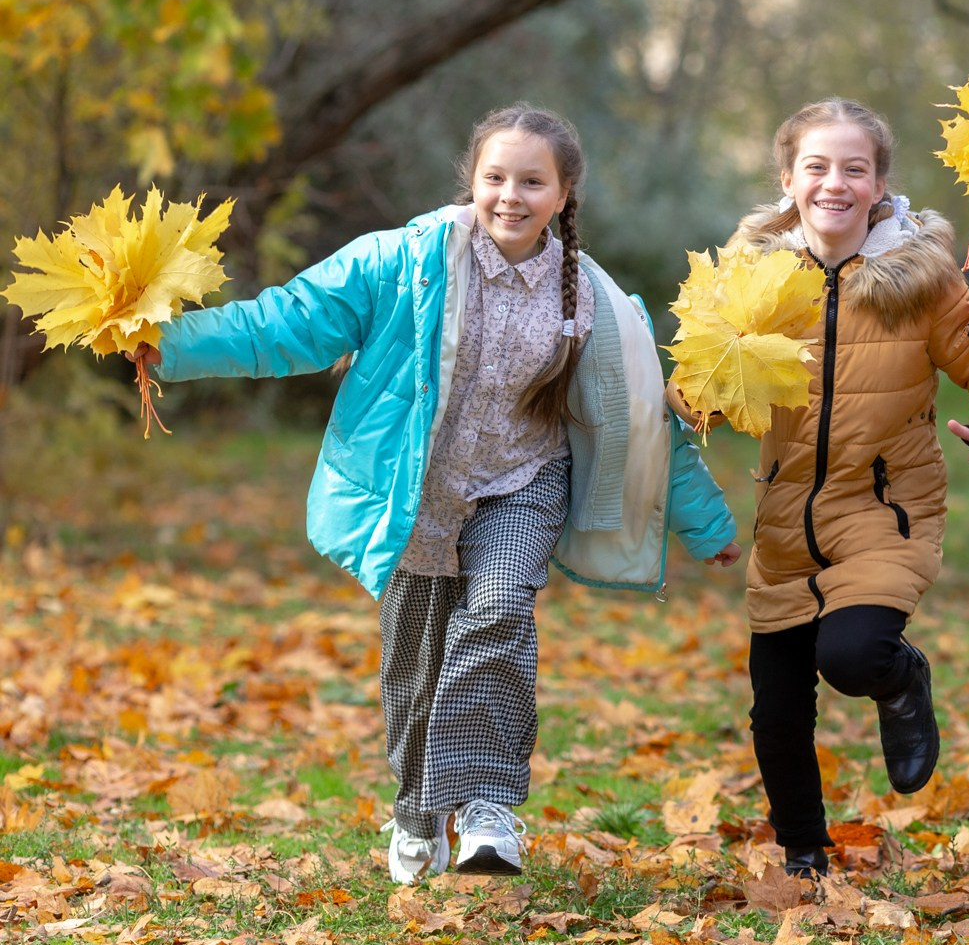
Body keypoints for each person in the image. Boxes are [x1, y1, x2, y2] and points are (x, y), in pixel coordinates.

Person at [141, 105, 739, 884]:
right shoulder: (403, 263)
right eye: (496, 177)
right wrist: (170, 347)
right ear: (473, 182)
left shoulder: (590, 300)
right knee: (414, 667)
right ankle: (419, 809)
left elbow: (645, 419)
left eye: (533, 182)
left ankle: (490, 812)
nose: (511, 197)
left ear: (564, 195)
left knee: (497, 612)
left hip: (522, 486)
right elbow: (288, 321)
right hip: (415, 494)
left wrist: (707, 525)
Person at [678, 98, 969, 882]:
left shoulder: (922, 284)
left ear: (879, 186)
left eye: (854, 169)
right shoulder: (751, 283)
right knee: (776, 714)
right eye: (816, 166)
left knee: (852, 654)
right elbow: (697, 385)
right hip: (783, 520)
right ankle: (804, 854)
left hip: (886, 511)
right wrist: (676, 399)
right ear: (787, 179)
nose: (833, 183)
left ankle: (901, 677)